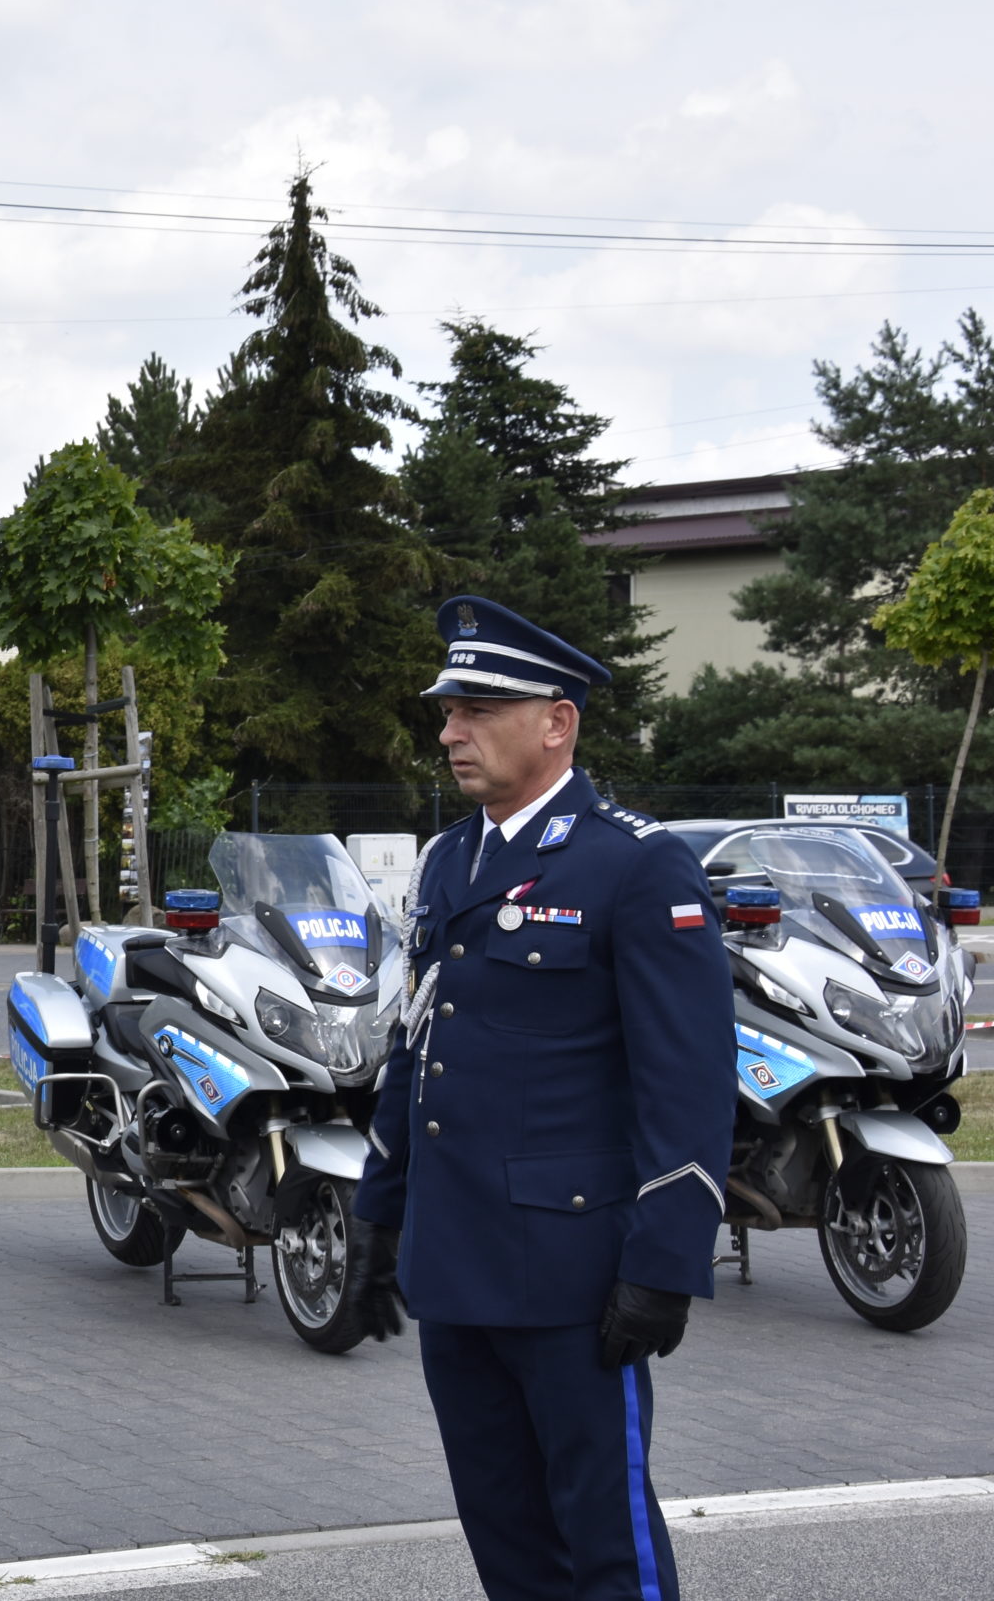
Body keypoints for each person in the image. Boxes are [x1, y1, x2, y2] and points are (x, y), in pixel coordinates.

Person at [351, 597, 735, 1601]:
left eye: (477, 708)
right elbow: (418, 1043)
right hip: (456, 1263)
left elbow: (686, 1082)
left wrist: (664, 1261)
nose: (449, 732)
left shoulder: (635, 864)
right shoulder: (446, 860)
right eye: (447, 711)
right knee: (506, 1540)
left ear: (554, 722)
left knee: (605, 1540)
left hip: (573, 1277)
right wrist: (378, 1215)